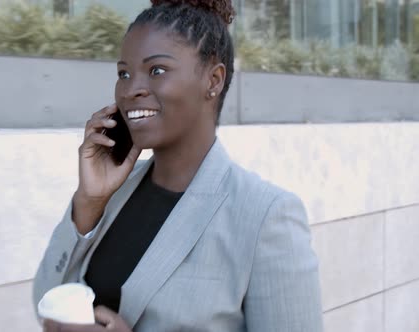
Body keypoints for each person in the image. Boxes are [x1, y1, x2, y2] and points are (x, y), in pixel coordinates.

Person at [33, 0, 324, 331]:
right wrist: (89, 200)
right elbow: (47, 303)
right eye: (124, 73)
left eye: (156, 70)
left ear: (213, 80)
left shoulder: (265, 216)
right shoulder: (114, 194)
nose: (131, 90)